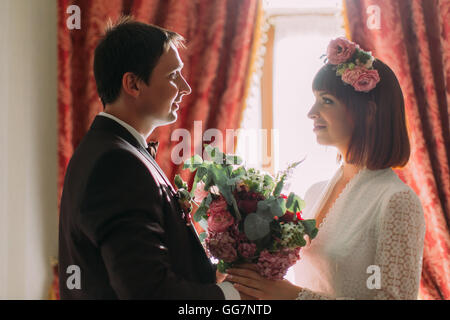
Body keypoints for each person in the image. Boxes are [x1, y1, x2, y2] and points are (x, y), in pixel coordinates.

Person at [227, 37, 426, 300]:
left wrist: (295, 297)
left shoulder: (397, 202)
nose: (311, 112)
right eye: (315, 100)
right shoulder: (314, 193)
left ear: (369, 112)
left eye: (327, 101)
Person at [58, 16, 240, 299]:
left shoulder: (111, 149)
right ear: (133, 84)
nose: (185, 87)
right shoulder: (116, 164)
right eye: (172, 76)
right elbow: (147, 291)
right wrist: (230, 296)